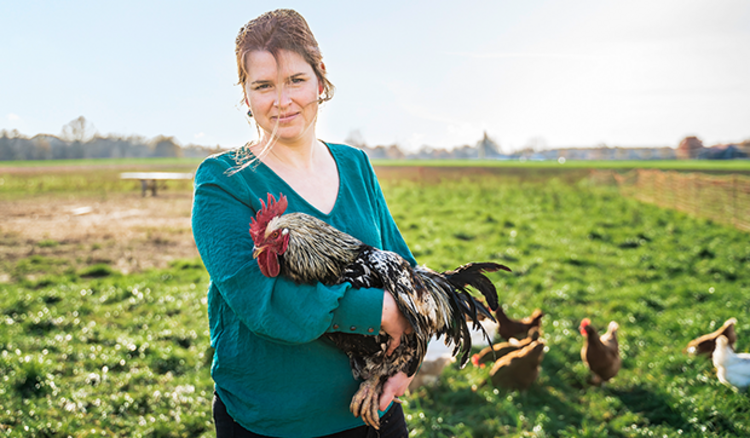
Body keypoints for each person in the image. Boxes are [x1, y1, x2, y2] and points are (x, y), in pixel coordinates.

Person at [191, 9, 417, 438]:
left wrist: (407, 355)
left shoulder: (356, 165)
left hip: (372, 412)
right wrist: (380, 312)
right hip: (273, 420)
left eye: (295, 80)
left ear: (320, 78)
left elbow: (401, 263)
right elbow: (263, 300)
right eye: (263, 86)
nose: (281, 100)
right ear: (245, 94)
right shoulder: (223, 181)